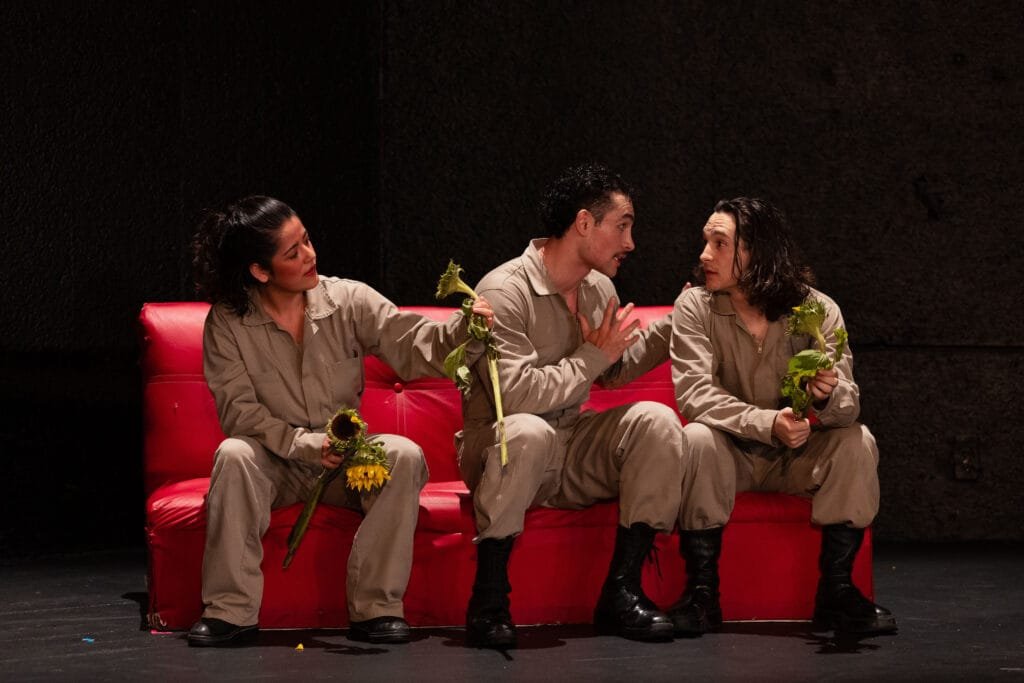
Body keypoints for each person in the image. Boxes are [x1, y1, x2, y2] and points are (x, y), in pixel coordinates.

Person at [186, 195, 493, 647]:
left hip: (346, 462)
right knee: (234, 454)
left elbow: (412, 344)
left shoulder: (348, 300)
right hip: (276, 461)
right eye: (293, 252)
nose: (310, 255)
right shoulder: (227, 323)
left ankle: (376, 609)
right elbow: (239, 413)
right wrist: (307, 445)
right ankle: (229, 612)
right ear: (260, 271)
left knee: (403, 455)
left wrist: (466, 331)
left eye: (307, 240)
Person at [457, 163, 693, 649]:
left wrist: (679, 318)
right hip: (502, 447)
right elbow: (516, 397)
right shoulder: (503, 292)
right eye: (622, 226)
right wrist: (591, 357)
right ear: (584, 223)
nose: (630, 243)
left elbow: (613, 369)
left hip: (569, 444)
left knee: (656, 421)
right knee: (528, 430)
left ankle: (623, 591)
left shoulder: (598, 287)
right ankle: (489, 600)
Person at [669, 196, 897, 637]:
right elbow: (695, 395)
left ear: (757, 252)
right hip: (731, 455)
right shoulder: (695, 307)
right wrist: (766, 423)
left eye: (720, 243)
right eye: (706, 241)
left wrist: (827, 398)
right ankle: (702, 594)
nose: (704, 255)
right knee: (696, 437)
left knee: (857, 440)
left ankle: (837, 591)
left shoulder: (818, 310)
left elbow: (849, 403)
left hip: (797, 455)